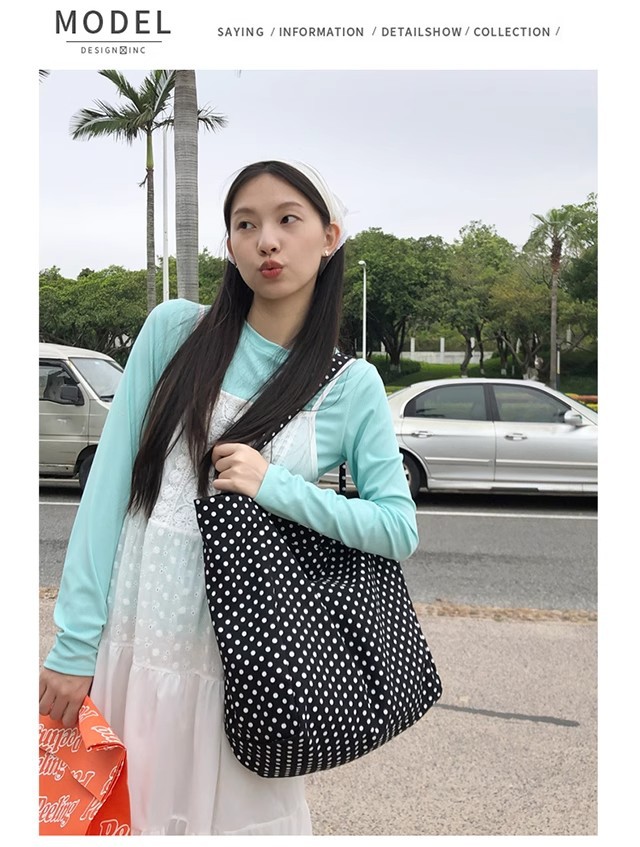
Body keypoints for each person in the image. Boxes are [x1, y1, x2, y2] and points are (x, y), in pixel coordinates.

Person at [39, 160, 419, 836]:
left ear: (329, 237)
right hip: (131, 645)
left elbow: (397, 527)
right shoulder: (175, 332)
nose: (266, 240)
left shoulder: (349, 384)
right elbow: (110, 490)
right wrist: (74, 643)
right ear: (231, 246)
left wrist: (277, 487)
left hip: (246, 673)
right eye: (246, 224)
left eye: (287, 219)